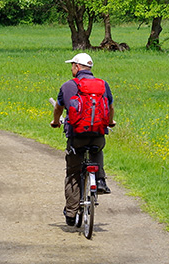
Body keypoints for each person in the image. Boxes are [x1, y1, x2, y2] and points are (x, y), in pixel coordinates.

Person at [50, 53, 114, 226]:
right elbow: (110, 106)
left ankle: (71, 214)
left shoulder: (68, 86)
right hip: (98, 135)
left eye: (72, 65)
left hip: (77, 136)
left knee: (73, 172)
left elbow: (58, 108)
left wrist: (56, 122)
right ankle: (100, 180)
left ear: (77, 67)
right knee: (97, 149)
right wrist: (110, 122)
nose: (71, 68)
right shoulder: (103, 84)